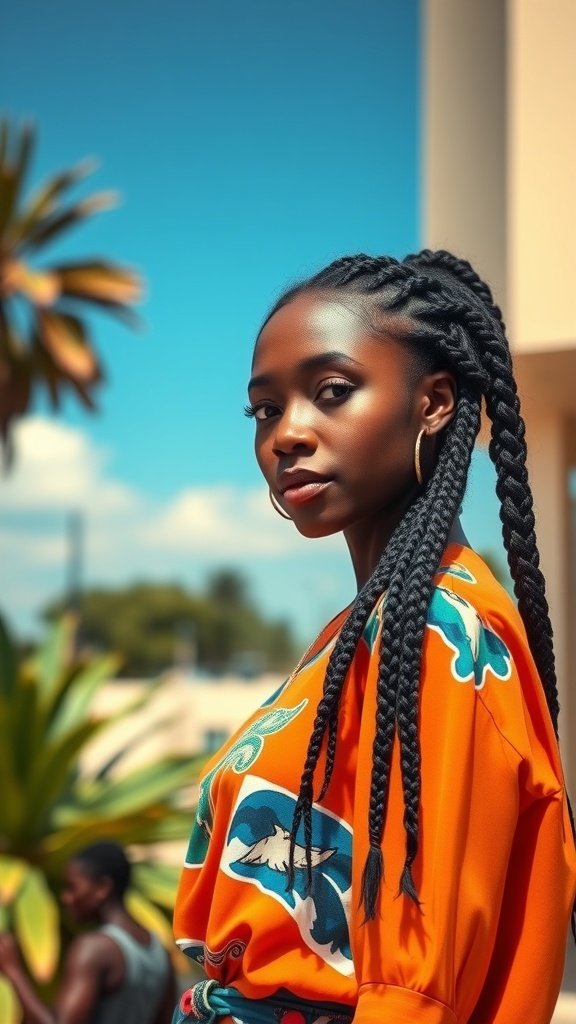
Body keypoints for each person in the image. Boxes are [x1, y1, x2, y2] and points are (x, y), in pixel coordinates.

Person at [172, 250, 576, 1024]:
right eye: (265, 409)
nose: (287, 433)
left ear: (433, 403)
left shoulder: (437, 635)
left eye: (332, 392)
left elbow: (409, 990)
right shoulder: (369, 628)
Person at [0, 841, 176, 1024]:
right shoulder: (160, 951)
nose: (66, 898)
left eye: (72, 887)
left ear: (102, 888)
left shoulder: (94, 948)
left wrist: (13, 971)